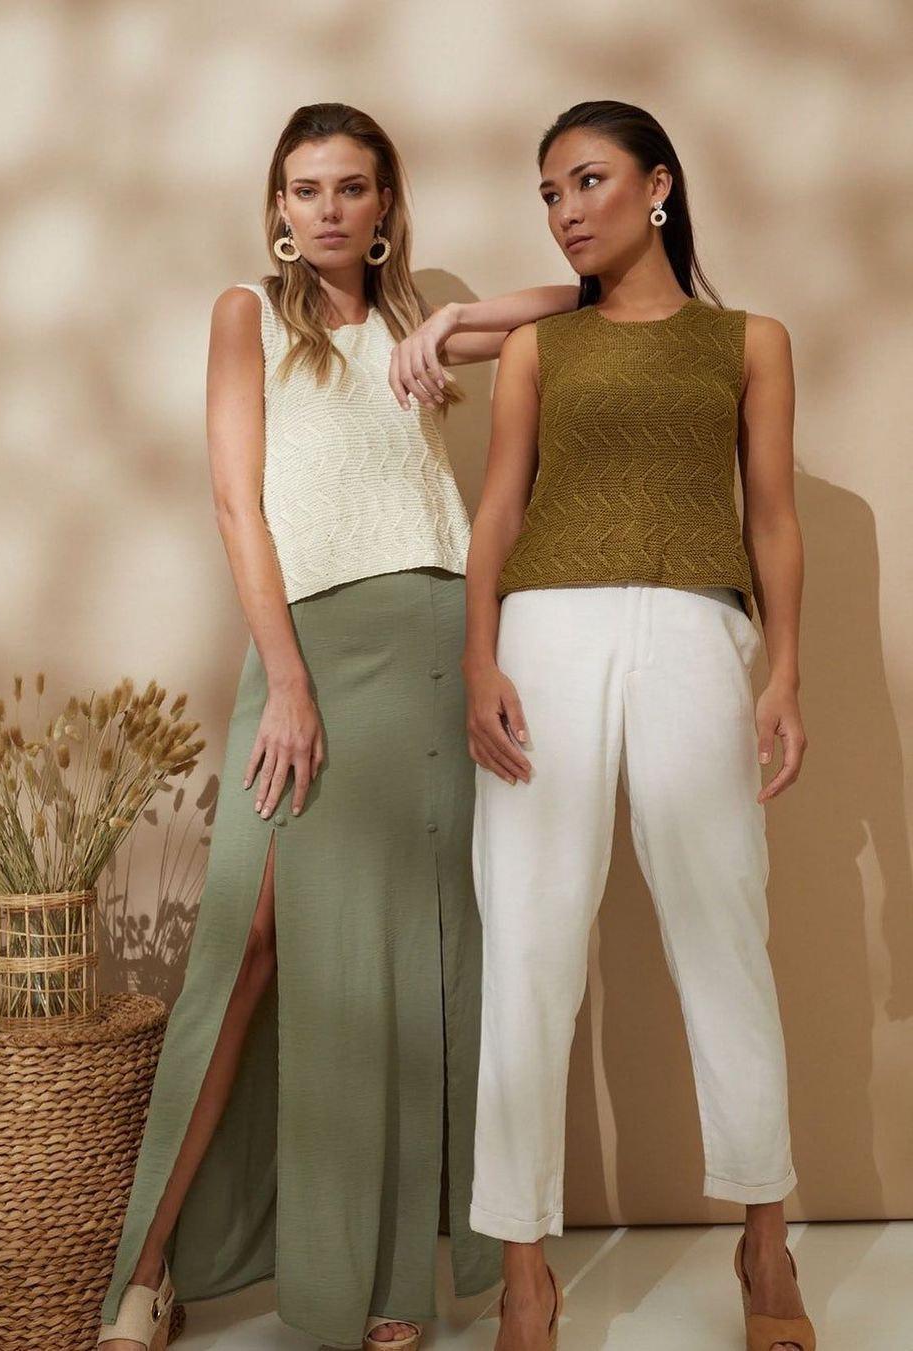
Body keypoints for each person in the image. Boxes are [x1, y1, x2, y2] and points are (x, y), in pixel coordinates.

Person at [96, 102, 579, 1351]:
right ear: (277, 206)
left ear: (383, 206)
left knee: (408, 961)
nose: (326, 209)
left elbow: (584, 299)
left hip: (436, 646)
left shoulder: (419, 323)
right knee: (250, 941)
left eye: (351, 188)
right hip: (310, 647)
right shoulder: (245, 316)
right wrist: (288, 682)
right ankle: (148, 1272)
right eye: (305, 189)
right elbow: (235, 504)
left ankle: (389, 1286)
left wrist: (457, 322)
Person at [405, 99, 814, 1351]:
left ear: (659, 186)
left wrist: (786, 673)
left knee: (724, 929)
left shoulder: (750, 341)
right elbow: (498, 507)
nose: (566, 210)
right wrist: (479, 657)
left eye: (588, 181)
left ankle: (765, 1243)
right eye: (549, 193)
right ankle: (526, 1272)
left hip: (697, 631)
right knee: (529, 943)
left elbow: (773, 515)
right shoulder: (543, 349)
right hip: (545, 636)